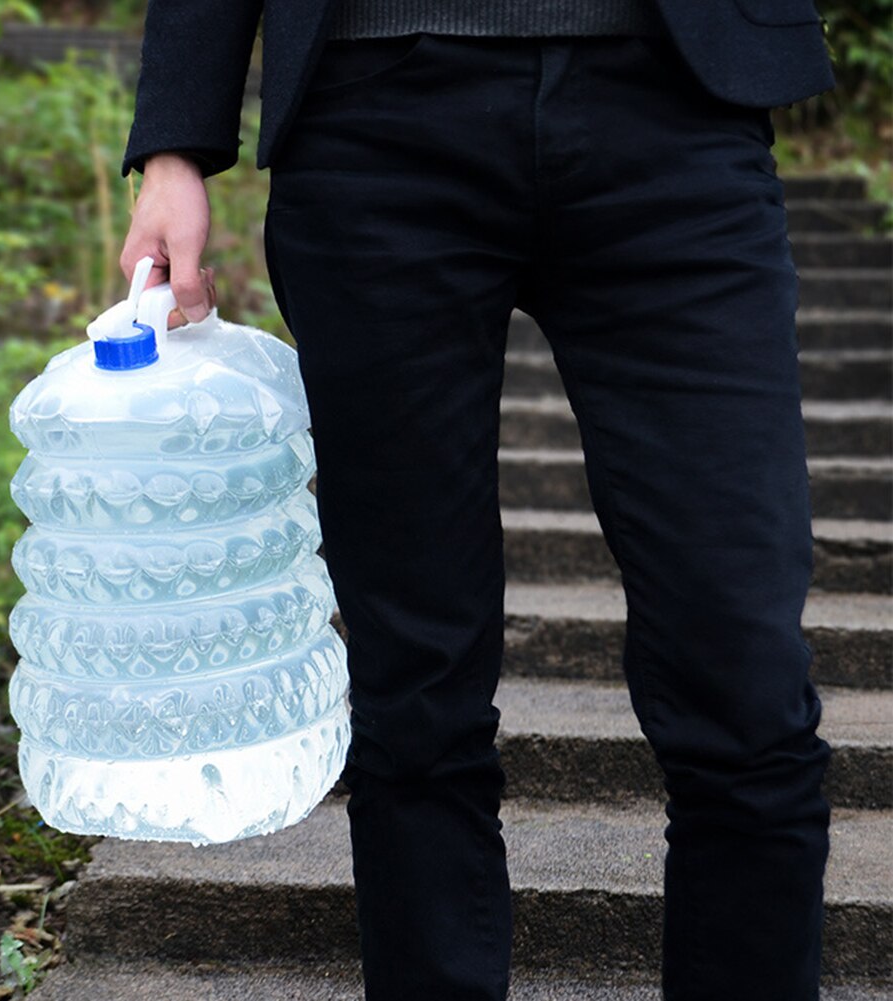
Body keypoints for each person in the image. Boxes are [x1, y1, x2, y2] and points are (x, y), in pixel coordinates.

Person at [118, 2, 836, 999]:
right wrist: (173, 143)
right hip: (370, 118)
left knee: (744, 667)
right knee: (414, 685)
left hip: (675, 105)